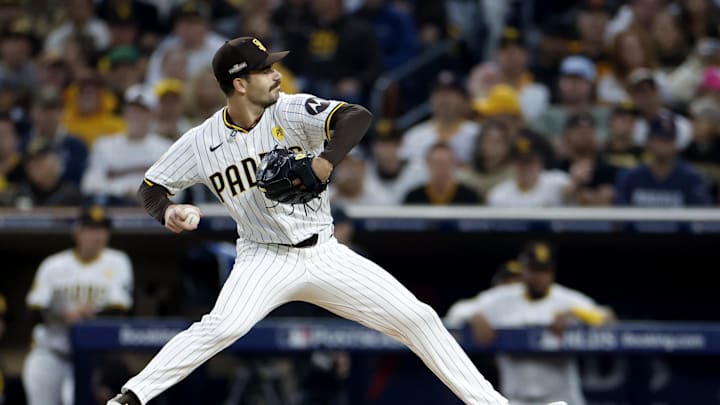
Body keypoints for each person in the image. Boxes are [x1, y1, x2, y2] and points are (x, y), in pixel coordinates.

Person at [108, 36, 509, 405]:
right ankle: (130, 397)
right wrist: (168, 211)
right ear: (240, 84)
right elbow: (152, 187)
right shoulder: (201, 140)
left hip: (325, 253)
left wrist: (323, 161)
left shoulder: (291, 109)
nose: (275, 74)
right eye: (265, 70)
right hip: (262, 257)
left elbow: (357, 116)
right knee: (222, 327)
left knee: (419, 317)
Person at [468, 241, 615, 405]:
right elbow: (459, 309)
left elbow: (607, 317)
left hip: (561, 397)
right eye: (535, 270)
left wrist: (574, 314)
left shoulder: (566, 299)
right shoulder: (503, 297)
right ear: (523, 269)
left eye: (545, 271)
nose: (540, 277)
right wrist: (476, 315)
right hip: (515, 398)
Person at [23, 205, 134, 405]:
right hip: (50, 352)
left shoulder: (117, 262)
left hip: (90, 357)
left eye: (102, 229)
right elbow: (34, 312)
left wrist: (86, 318)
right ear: (77, 232)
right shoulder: (53, 265)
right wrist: (64, 315)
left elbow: (122, 311)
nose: (97, 235)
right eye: (90, 229)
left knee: (74, 399)